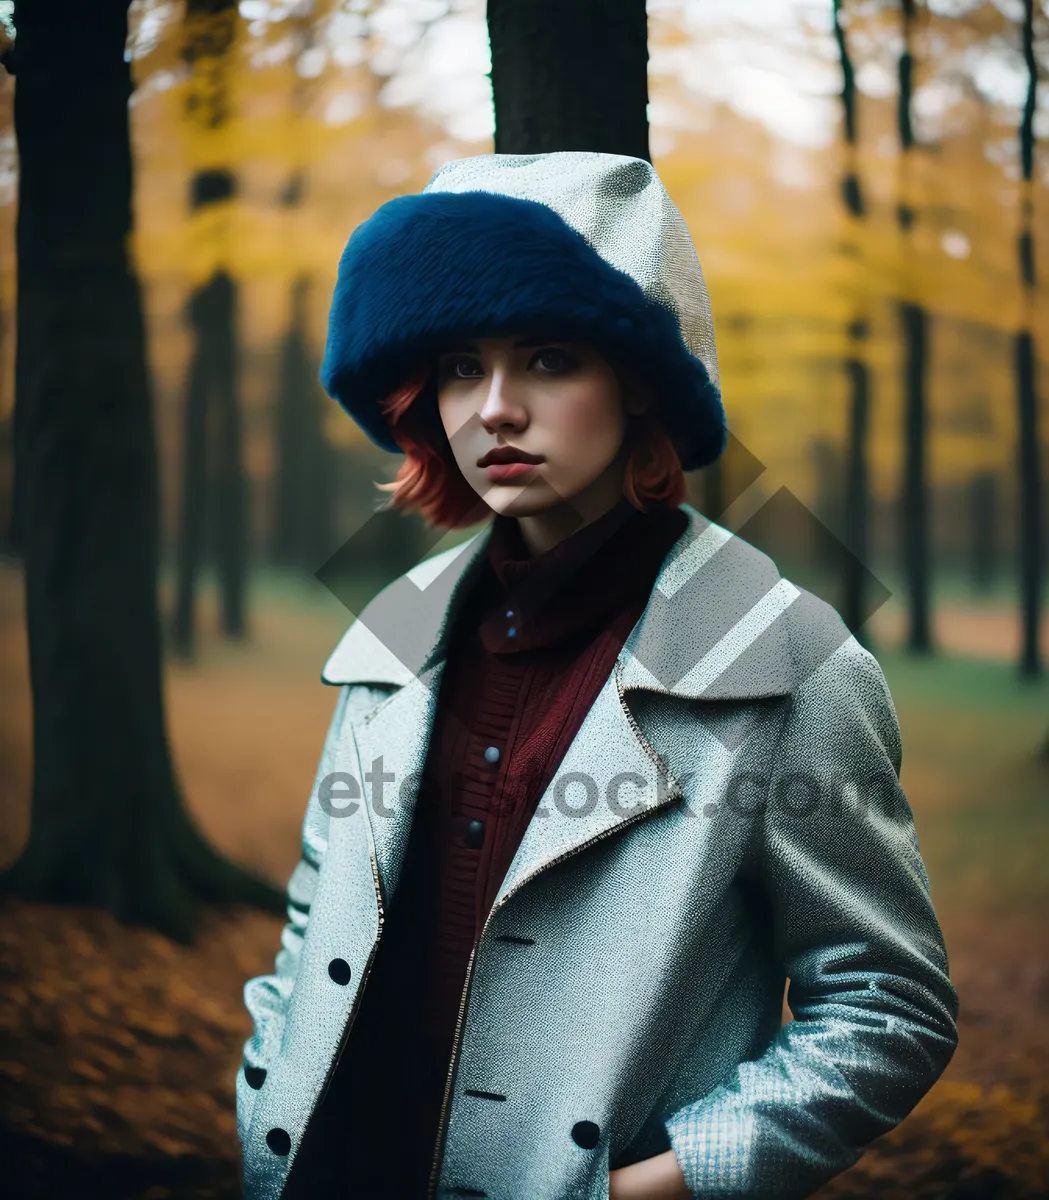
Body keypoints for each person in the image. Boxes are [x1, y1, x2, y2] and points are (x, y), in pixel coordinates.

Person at [236, 152, 958, 1200]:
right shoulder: (393, 635)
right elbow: (313, 923)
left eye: (548, 358)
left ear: (640, 383)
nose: (493, 408)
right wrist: (264, 1099)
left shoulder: (788, 666)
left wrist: (658, 1186)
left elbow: (889, 1010)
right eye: (457, 367)